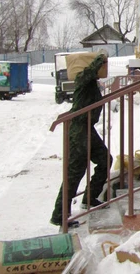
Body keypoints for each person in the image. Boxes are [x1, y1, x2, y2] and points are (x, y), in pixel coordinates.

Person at [50, 53, 112, 228]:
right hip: (79, 129)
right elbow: (90, 71)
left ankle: (90, 197)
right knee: (75, 172)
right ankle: (59, 214)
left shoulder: (91, 82)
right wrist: (100, 59)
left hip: (87, 128)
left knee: (105, 160)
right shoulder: (82, 77)